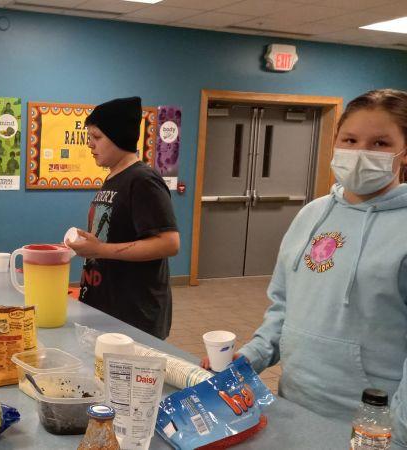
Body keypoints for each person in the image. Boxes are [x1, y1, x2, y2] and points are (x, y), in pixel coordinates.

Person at [201, 89, 407, 447]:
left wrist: (399, 435)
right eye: (351, 139)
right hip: (294, 403)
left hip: (370, 424)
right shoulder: (312, 215)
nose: (360, 152)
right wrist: (250, 358)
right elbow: (283, 308)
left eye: (379, 143)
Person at [66, 96, 179, 340]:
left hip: (134, 315)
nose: (90, 145)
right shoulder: (113, 178)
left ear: (119, 137)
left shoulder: (143, 180)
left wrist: (100, 249)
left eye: (97, 137)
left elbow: (169, 243)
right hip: (106, 306)